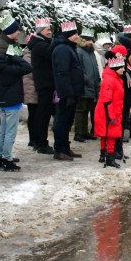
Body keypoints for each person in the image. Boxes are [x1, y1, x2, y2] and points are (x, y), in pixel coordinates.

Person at [0, 42, 33, 171]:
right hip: (12, 102)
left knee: (2, 131)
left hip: (2, 101)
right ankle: (7, 158)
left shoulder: (0, 65)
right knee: (10, 132)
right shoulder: (12, 68)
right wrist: (16, 57)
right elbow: (27, 67)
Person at [51, 22, 84, 161]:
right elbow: (62, 73)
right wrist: (68, 93)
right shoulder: (62, 49)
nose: (77, 36)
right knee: (62, 121)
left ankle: (65, 147)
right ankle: (59, 149)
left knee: (68, 121)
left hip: (72, 91)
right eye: (75, 34)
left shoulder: (69, 47)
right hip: (66, 93)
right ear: (69, 35)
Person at [27, 19, 56, 154]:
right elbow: (52, 55)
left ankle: (39, 141)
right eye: (47, 30)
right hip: (45, 83)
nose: (49, 32)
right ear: (40, 31)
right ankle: (41, 143)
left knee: (42, 114)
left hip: (45, 83)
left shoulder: (43, 44)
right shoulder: (40, 46)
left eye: (50, 29)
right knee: (43, 115)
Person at [95, 54, 127, 167]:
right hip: (109, 112)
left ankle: (103, 155)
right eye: (122, 67)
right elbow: (107, 99)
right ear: (115, 68)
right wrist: (111, 115)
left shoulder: (115, 79)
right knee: (111, 135)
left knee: (106, 135)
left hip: (111, 111)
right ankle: (109, 158)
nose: (124, 69)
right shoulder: (110, 80)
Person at [75, 28, 101, 144]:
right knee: (81, 110)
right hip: (84, 85)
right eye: (88, 40)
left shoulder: (91, 52)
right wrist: (87, 79)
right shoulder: (79, 51)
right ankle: (78, 132)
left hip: (92, 85)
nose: (90, 42)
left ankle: (84, 131)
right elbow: (79, 69)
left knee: (87, 110)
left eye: (91, 40)